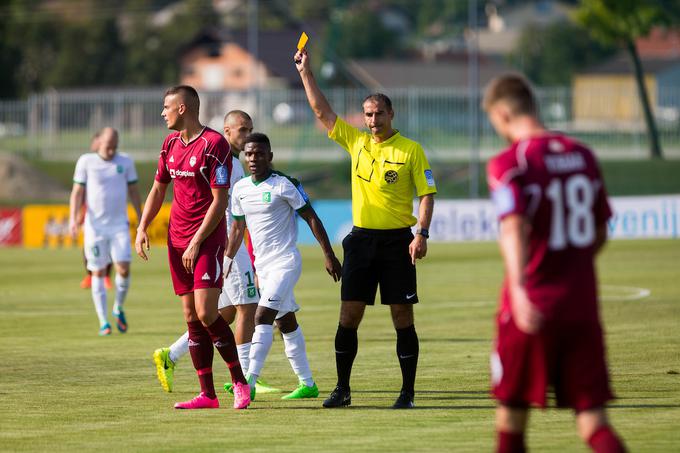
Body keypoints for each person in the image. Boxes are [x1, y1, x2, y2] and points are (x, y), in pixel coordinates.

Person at [483, 74, 626, 452]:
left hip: (531, 305)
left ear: (502, 113)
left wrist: (518, 288)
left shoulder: (509, 163)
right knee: (593, 421)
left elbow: (513, 228)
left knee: (511, 419)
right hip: (581, 306)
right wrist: (571, 265)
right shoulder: (583, 155)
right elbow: (599, 230)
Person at [295, 49, 436, 409]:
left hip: (398, 243)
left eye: (379, 114)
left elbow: (426, 195)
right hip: (360, 242)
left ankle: (407, 392)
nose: (373, 121)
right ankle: (342, 389)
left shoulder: (411, 150)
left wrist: (421, 233)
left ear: (391, 114)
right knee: (349, 315)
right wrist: (305, 73)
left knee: (402, 317)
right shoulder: (356, 141)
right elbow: (321, 112)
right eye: (368, 115)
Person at [135, 85, 250, 410]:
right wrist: (142, 226)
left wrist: (197, 241)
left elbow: (220, 201)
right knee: (190, 316)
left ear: (183, 108)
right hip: (176, 240)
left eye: (166, 107)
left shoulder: (215, 145)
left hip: (207, 240)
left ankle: (240, 382)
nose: (162, 113)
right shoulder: (170, 144)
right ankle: (207, 395)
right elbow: (158, 190)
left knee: (206, 312)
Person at [152, 110, 280, 396]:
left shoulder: (235, 162)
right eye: (242, 130)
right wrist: (231, 252)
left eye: (250, 129)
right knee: (247, 306)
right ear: (227, 131)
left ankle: (170, 355)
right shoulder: (228, 162)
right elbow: (226, 208)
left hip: (226, 243)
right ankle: (247, 378)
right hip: (225, 243)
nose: (247, 136)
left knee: (224, 312)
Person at [226, 132, 342, 401]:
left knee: (261, 316)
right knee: (286, 322)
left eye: (259, 153)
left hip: (286, 263)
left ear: (270, 156)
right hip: (263, 268)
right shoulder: (241, 189)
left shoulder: (284, 184)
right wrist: (228, 260)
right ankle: (308, 383)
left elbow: (311, 217)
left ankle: (248, 383)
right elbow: (237, 228)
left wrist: (329, 254)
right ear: (244, 157)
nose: (254, 158)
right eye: (249, 154)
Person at [68, 127, 142, 335]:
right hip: (95, 228)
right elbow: (77, 193)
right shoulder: (86, 162)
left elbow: (134, 191)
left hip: (119, 225)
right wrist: (73, 219)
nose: (111, 151)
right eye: (108, 146)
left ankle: (118, 307)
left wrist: (141, 216)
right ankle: (103, 321)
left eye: (114, 146)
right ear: (99, 142)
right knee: (98, 272)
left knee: (124, 268)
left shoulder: (125, 162)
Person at [79, 131, 113, 291]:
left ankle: (106, 276)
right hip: (90, 212)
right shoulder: (87, 162)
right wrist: (80, 211)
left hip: (110, 214)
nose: (95, 145)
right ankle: (90, 275)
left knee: (110, 247)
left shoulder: (112, 162)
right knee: (88, 246)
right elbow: (80, 189)